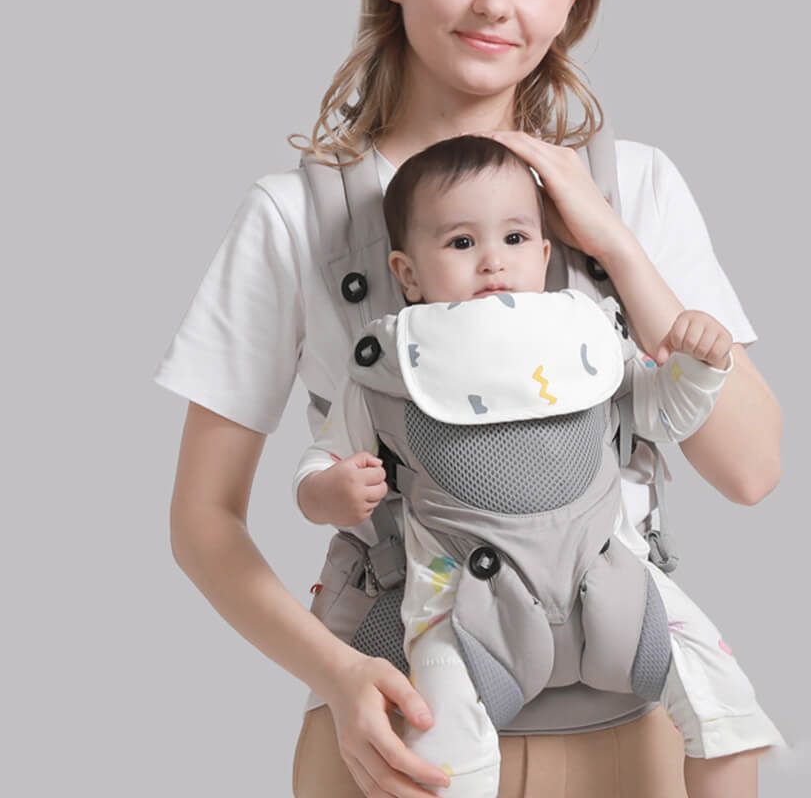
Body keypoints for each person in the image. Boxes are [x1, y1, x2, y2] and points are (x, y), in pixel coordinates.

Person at [157, 0, 783, 798]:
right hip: (397, 722)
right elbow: (202, 521)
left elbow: (749, 468)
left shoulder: (637, 188)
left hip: (622, 715)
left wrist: (610, 242)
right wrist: (336, 672)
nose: (498, 3)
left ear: (573, 3)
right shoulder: (294, 218)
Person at [291, 135, 783, 797]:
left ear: (547, 256)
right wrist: (330, 491)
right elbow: (320, 460)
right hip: (463, 604)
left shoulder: (587, 333)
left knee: (725, 704)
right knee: (438, 754)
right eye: (462, 243)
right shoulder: (392, 363)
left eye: (516, 238)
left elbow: (662, 416)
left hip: (611, 577)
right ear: (407, 274)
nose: (493, 259)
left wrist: (699, 366)